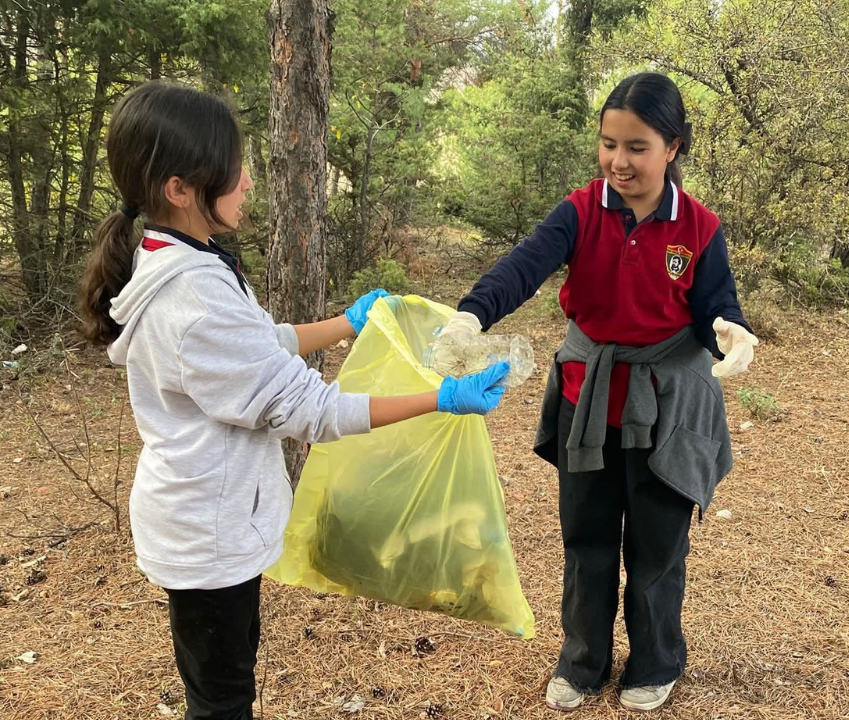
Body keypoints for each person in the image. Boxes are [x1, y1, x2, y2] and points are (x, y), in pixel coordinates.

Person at [75, 81, 509, 720]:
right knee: (221, 701)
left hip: (207, 521)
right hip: (209, 536)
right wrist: (439, 397)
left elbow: (257, 346)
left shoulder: (183, 260)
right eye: (233, 172)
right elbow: (313, 411)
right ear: (180, 189)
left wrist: (343, 323)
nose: (247, 182)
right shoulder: (191, 301)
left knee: (224, 684)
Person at [431, 72, 759, 712]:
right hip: (590, 399)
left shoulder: (698, 227)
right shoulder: (581, 211)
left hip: (669, 407)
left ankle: (656, 660)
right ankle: (582, 663)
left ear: (673, 146)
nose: (619, 161)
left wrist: (730, 330)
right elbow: (524, 265)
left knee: (658, 543)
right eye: (609, 144)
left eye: (637, 146)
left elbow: (716, 305)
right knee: (586, 536)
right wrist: (473, 314)